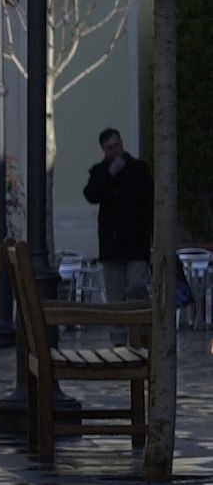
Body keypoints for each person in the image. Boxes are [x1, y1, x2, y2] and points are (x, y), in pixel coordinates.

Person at [82, 127, 153, 345]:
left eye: (117, 145)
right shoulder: (100, 172)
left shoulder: (139, 169)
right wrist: (110, 173)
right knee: (115, 297)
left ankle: (141, 335)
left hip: (136, 241)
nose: (115, 150)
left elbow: (150, 199)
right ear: (104, 149)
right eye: (109, 147)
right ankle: (119, 341)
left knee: (137, 286)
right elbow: (91, 194)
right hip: (112, 245)